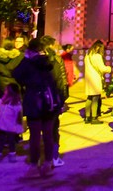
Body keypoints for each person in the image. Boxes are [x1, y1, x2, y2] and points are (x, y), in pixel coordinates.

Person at [13, 38, 63, 178]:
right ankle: (48, 163)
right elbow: (56, 82)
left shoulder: (28, 63)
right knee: (48, 134)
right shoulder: (49, 61)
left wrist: (25, 59)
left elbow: (16, 74)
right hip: (49, 103)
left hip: (34, 102)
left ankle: (34, 166)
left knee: (34, 136)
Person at [40, 35, 69, 168]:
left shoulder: (32, 61)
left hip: (38, 101)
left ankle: (44, 158)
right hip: (52, 101)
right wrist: (62, 99)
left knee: (42, 130)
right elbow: (62, 81)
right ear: (50, 46)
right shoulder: (57, 61)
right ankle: (53, 156)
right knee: (52, 129)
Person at [0, 37, 24, 143]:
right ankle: (13, 138)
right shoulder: (19, 57)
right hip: (13, 87)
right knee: (14, 113)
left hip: (0, 87)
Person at [0, 83, 23, 163]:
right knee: (1, 140)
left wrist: (18, 128)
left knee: (11, 141)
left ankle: (12, 154)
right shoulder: (3, 103)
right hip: (3, 127)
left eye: (6, 90)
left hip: (11, 128)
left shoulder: (16, 105)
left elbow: (18, 118)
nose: (4, 91)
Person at [83, 40, 111, 124]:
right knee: (95, 98)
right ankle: (94, 117)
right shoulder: (97, 56)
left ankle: (87, 117)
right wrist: (109, 68)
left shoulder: (87, 55)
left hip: (89, 79)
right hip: (95, 79)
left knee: (89, 98)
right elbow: (102, 68)